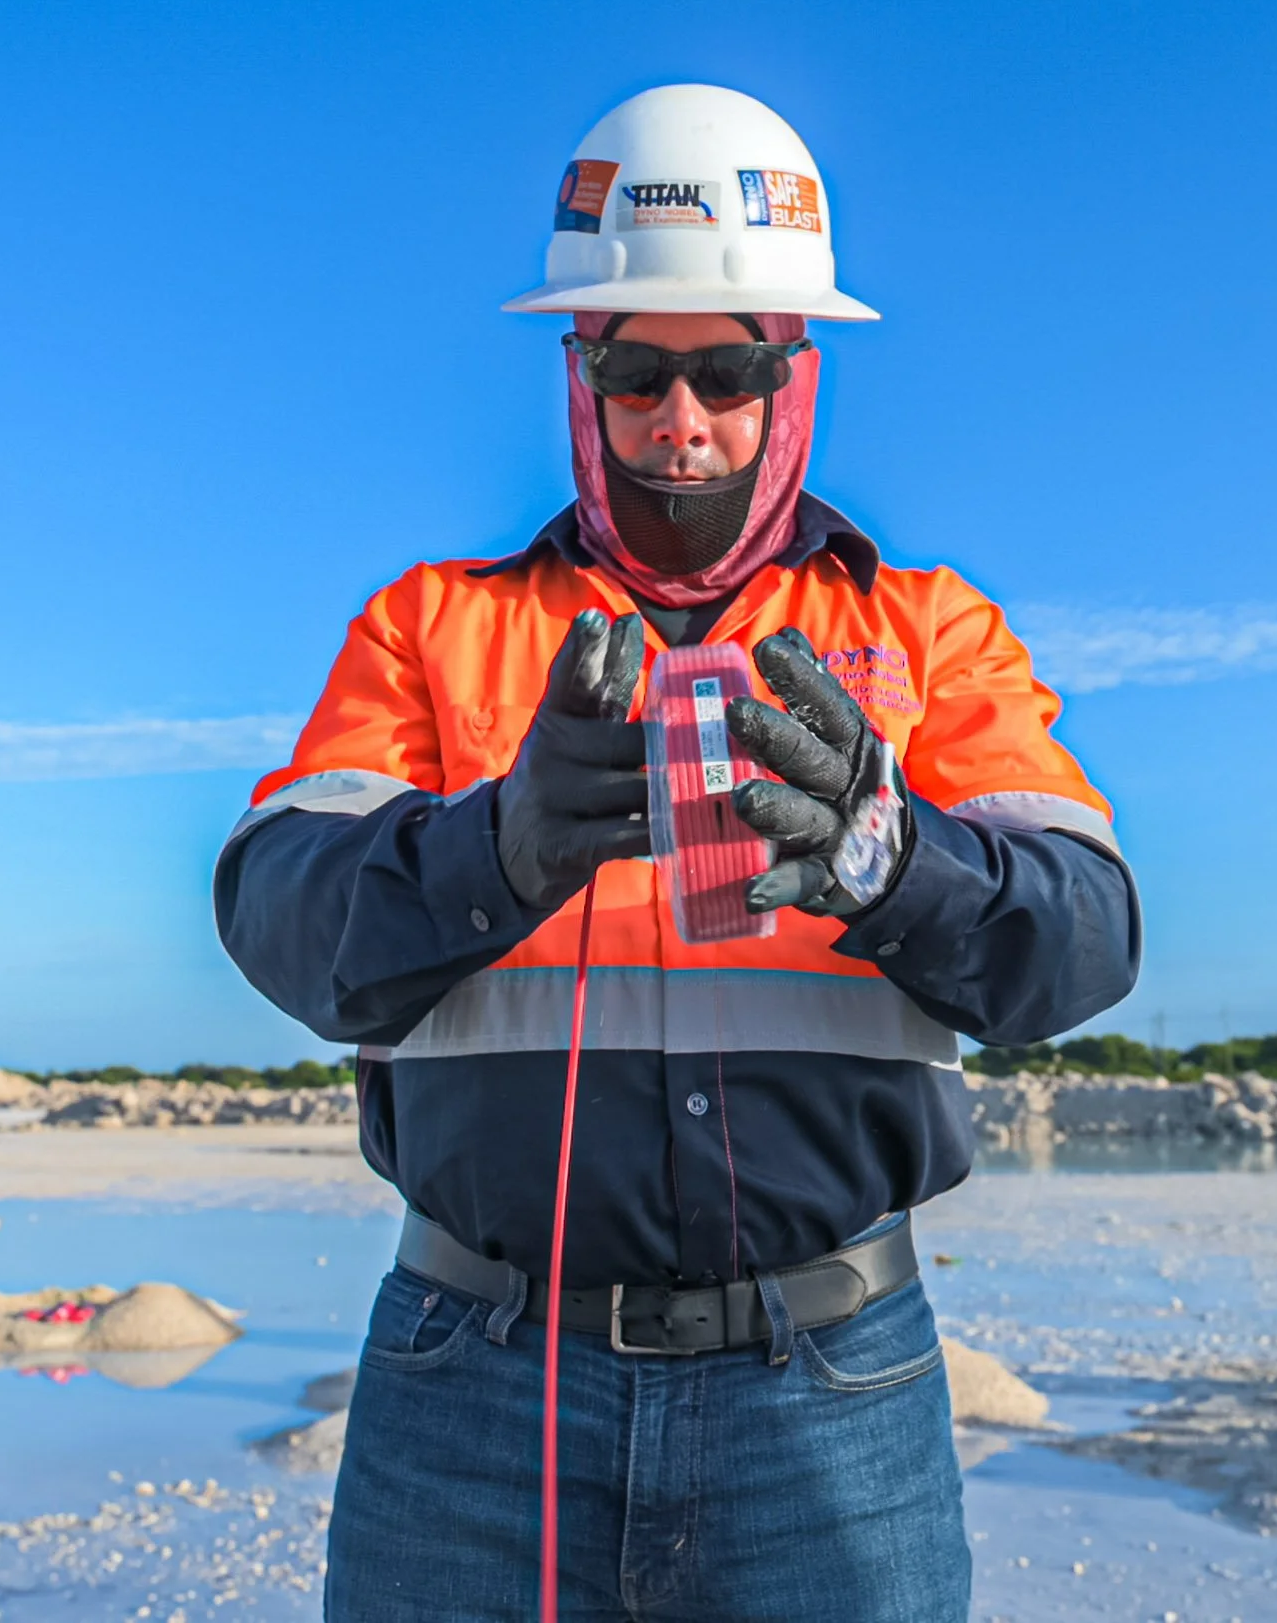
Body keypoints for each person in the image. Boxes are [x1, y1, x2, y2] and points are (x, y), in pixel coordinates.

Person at [216, 84, 1140, 1623]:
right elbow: (278, 916)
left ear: (797, 375)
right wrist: (493, 846)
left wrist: (893, 860)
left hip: (833, 1383)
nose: (682, 425)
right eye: (637, 372)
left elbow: (1086, 939)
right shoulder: (433, 624)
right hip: (474, 1383)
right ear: (579, 374)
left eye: (725, 372)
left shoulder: (925, 628)